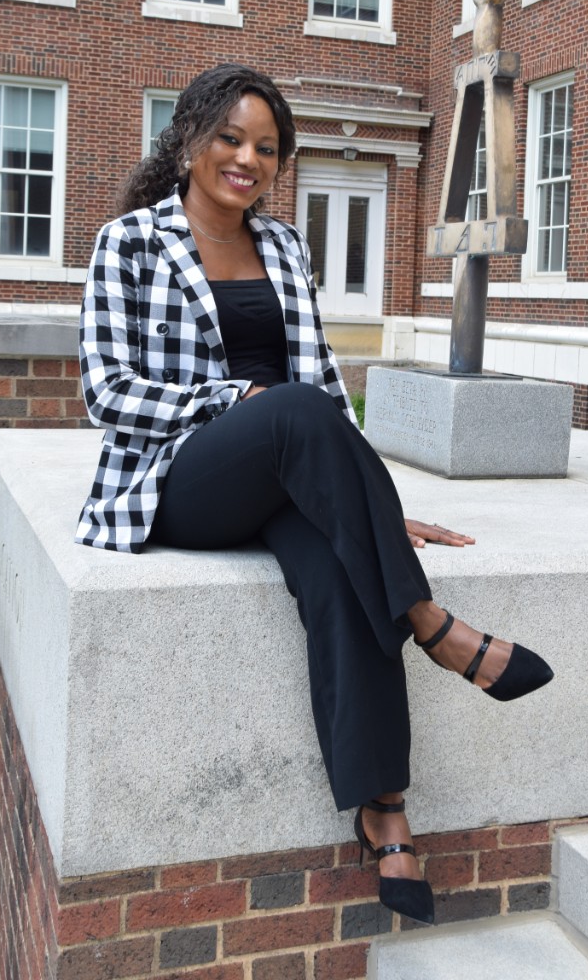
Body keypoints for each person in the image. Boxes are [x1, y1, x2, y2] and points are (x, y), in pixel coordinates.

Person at [76, 63, 553, 926]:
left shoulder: (287, 246)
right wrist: (234, 401)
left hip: (289, 469)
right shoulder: (132, 243)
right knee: (288, 409)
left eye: (266, 148)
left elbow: (327, 389)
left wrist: (370, 506)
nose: (246, 159)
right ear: (188, 140)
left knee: (339, 572)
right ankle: (434, 628)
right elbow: (105, 393)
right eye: (229, 138)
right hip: (181, 480)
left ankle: (384, 809)